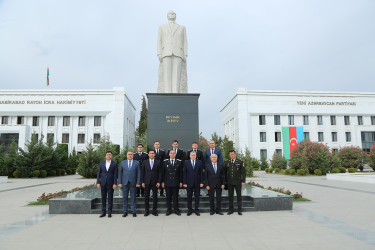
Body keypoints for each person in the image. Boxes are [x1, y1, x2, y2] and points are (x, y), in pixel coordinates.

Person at [157, 10, 188, 93]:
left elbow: (185, 41)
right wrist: (159, 53)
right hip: (166, 52)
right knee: (166, 74)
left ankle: (176, 92)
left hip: (178, 52)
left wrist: (185, 54)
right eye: (170, 13)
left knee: (177, 74)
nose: (172, 14)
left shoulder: (182, 28)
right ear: (167, 16)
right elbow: (159, 40)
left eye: (174, 13)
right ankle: (167, 92)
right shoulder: (161, 27)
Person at [223, 150, 246, 215]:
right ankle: (231, 210)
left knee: (239, 196)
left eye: (233, 154)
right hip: (230, 182)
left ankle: (239, 210)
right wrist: (225, 181)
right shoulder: (227, 162)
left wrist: (243, 181)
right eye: (230, 154)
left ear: (235, 154)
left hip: (238, 182)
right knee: (230, 196)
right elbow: (224, 173)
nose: (232, 155)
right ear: (229, 155)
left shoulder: (240, 162)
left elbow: (243, 172)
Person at [118, 151, 141, 217]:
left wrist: (138, 182)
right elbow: (120, 173)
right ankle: (125, 211)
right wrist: (119, 182)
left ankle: (133, 211)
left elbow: (139, 173)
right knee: (124, 197)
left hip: (133, 183)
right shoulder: (123, 163)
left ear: (133, 156)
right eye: (129, 154)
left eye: (131, 154)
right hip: (124, 183)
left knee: (133, 197)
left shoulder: (137, 163)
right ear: (126, 155)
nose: (130, 155)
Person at [96, 151, 118, 218]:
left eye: (110, 154)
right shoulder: (102, 163)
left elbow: (115, 174)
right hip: (103, 183)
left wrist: (115, 183)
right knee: (103, 198)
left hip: (111, 183)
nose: (108, 156)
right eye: (107, 154)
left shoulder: (114, 163)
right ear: (105, 156)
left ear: (112, 156)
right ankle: (103, 212)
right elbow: (99, 173)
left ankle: (109, 212)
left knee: (110, 198)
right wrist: (98, 182)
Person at [141, 150, 162, 216]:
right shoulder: (145, 162)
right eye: (150, 153)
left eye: (153, 153)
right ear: (148, 154)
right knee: (146, 197)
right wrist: (142, 182)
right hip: (146, 181)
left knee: (155, 197)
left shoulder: (158, 162)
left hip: (155, 182)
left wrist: (159, 181)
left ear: (154, 154)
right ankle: (146, 211)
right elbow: (142, 173)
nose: (151, 154)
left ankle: (154, 211)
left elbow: (160, 173)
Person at [162, 150, 182, 216]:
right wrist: (162, 182)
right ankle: (169, 210)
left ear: (175, 154)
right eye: (171, 153)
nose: (172, 154)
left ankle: (176, 209)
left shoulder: (179, 162)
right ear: (169, 154)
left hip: (176, 182)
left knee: (175, 197)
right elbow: (163, 173)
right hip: (167, 182)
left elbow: (180, 173)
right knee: (168, 197)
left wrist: (181, 181)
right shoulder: (165, 162)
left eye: (173, 153)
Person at [183, 151, 204, 216]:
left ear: (196, 156)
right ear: (190, 156)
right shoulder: (186, 162)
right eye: (192, 155)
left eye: (194, 155)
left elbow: (201, 173)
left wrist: (201, 182)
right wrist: (184, 182)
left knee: (197, 196)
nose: (193, 156)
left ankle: (196, 209)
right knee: (189, 196)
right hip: (189, 183)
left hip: (197, 182)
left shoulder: (199, 162)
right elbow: (184, 173)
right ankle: (189, 209)